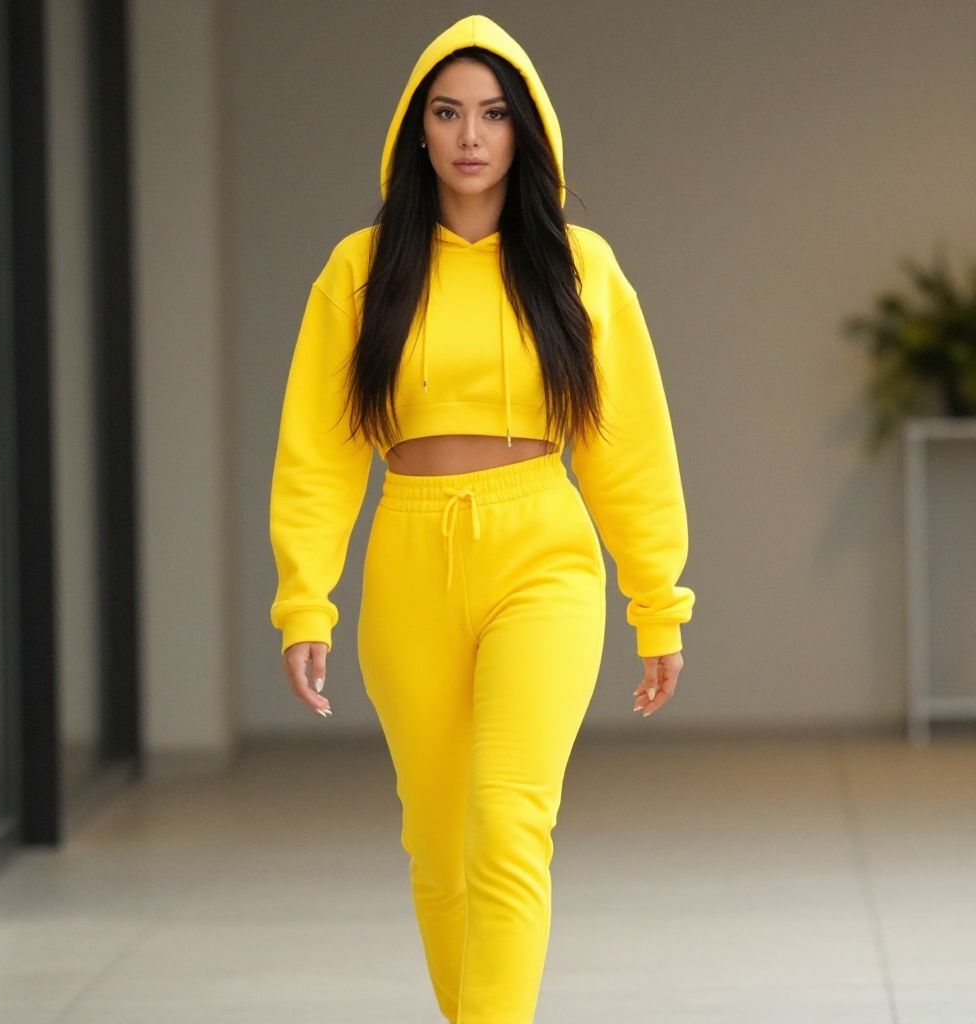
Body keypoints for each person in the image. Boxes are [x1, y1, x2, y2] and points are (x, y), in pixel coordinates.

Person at [268, 13, 695, 1023]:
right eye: (448, 113)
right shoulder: (360, 269)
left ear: (525, 131)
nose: (470, 136)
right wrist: (304, 600)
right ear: (415, 132)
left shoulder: (579, 266)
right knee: (437, 839)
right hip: (409, 559)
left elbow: (628, 445)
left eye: (494, 114)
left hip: (542, 554)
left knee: (506, 824)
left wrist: (657, 601)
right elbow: (319, 451)